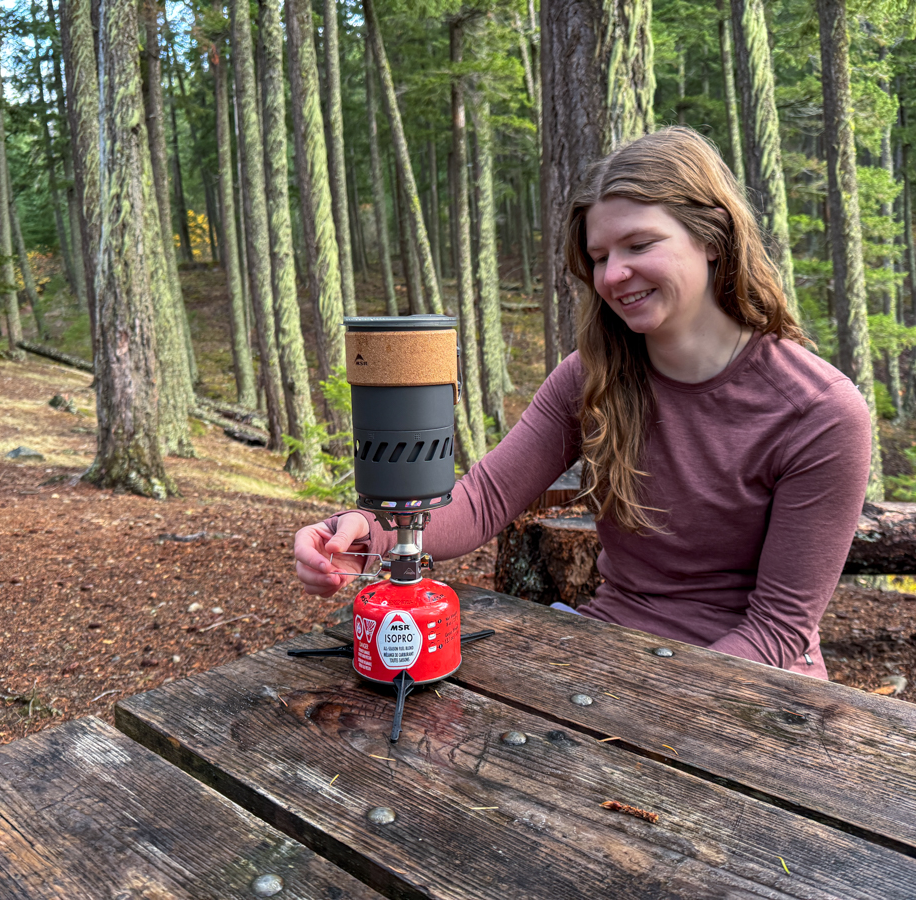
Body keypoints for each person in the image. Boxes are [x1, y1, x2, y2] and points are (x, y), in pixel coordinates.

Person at [294, 127, 870, 679]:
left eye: (640, 244)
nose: (614, 275)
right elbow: (481, 501)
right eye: (598, 257)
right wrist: (363, 529)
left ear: (713, 238)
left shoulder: (819, 413)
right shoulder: (590, 378)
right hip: (609, 644)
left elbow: (778, 628)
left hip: (748, 682)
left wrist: (658, 701)